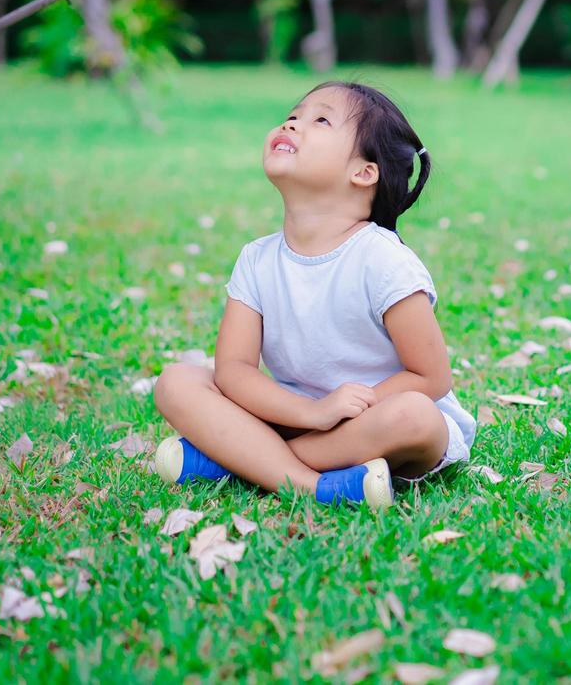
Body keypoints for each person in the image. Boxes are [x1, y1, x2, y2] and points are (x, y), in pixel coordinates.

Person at [150, 80, 475, 509]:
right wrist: (311, 414)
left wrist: (346, 408)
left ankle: (238, 461)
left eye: (320, 119)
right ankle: (314, 486)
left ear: (364, 172)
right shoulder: (257, 259)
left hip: (374, 419)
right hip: (294, 414)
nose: (292, 123)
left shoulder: (382, 260)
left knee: (414, 416)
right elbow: (234, 371)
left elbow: (430, 378)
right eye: (293, 115)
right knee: (177, 381)